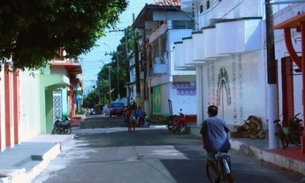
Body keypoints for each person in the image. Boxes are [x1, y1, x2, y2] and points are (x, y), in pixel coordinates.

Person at [200, 105, 233, 183]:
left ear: (209, 113)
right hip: (225, 144)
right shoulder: (222, 120)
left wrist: (204, 144)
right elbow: (226, 130)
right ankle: (229, 172)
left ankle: (218, 173)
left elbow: (203, 134)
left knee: (209, 160)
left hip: (213, 145)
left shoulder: (206, 121)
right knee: (226, 156)